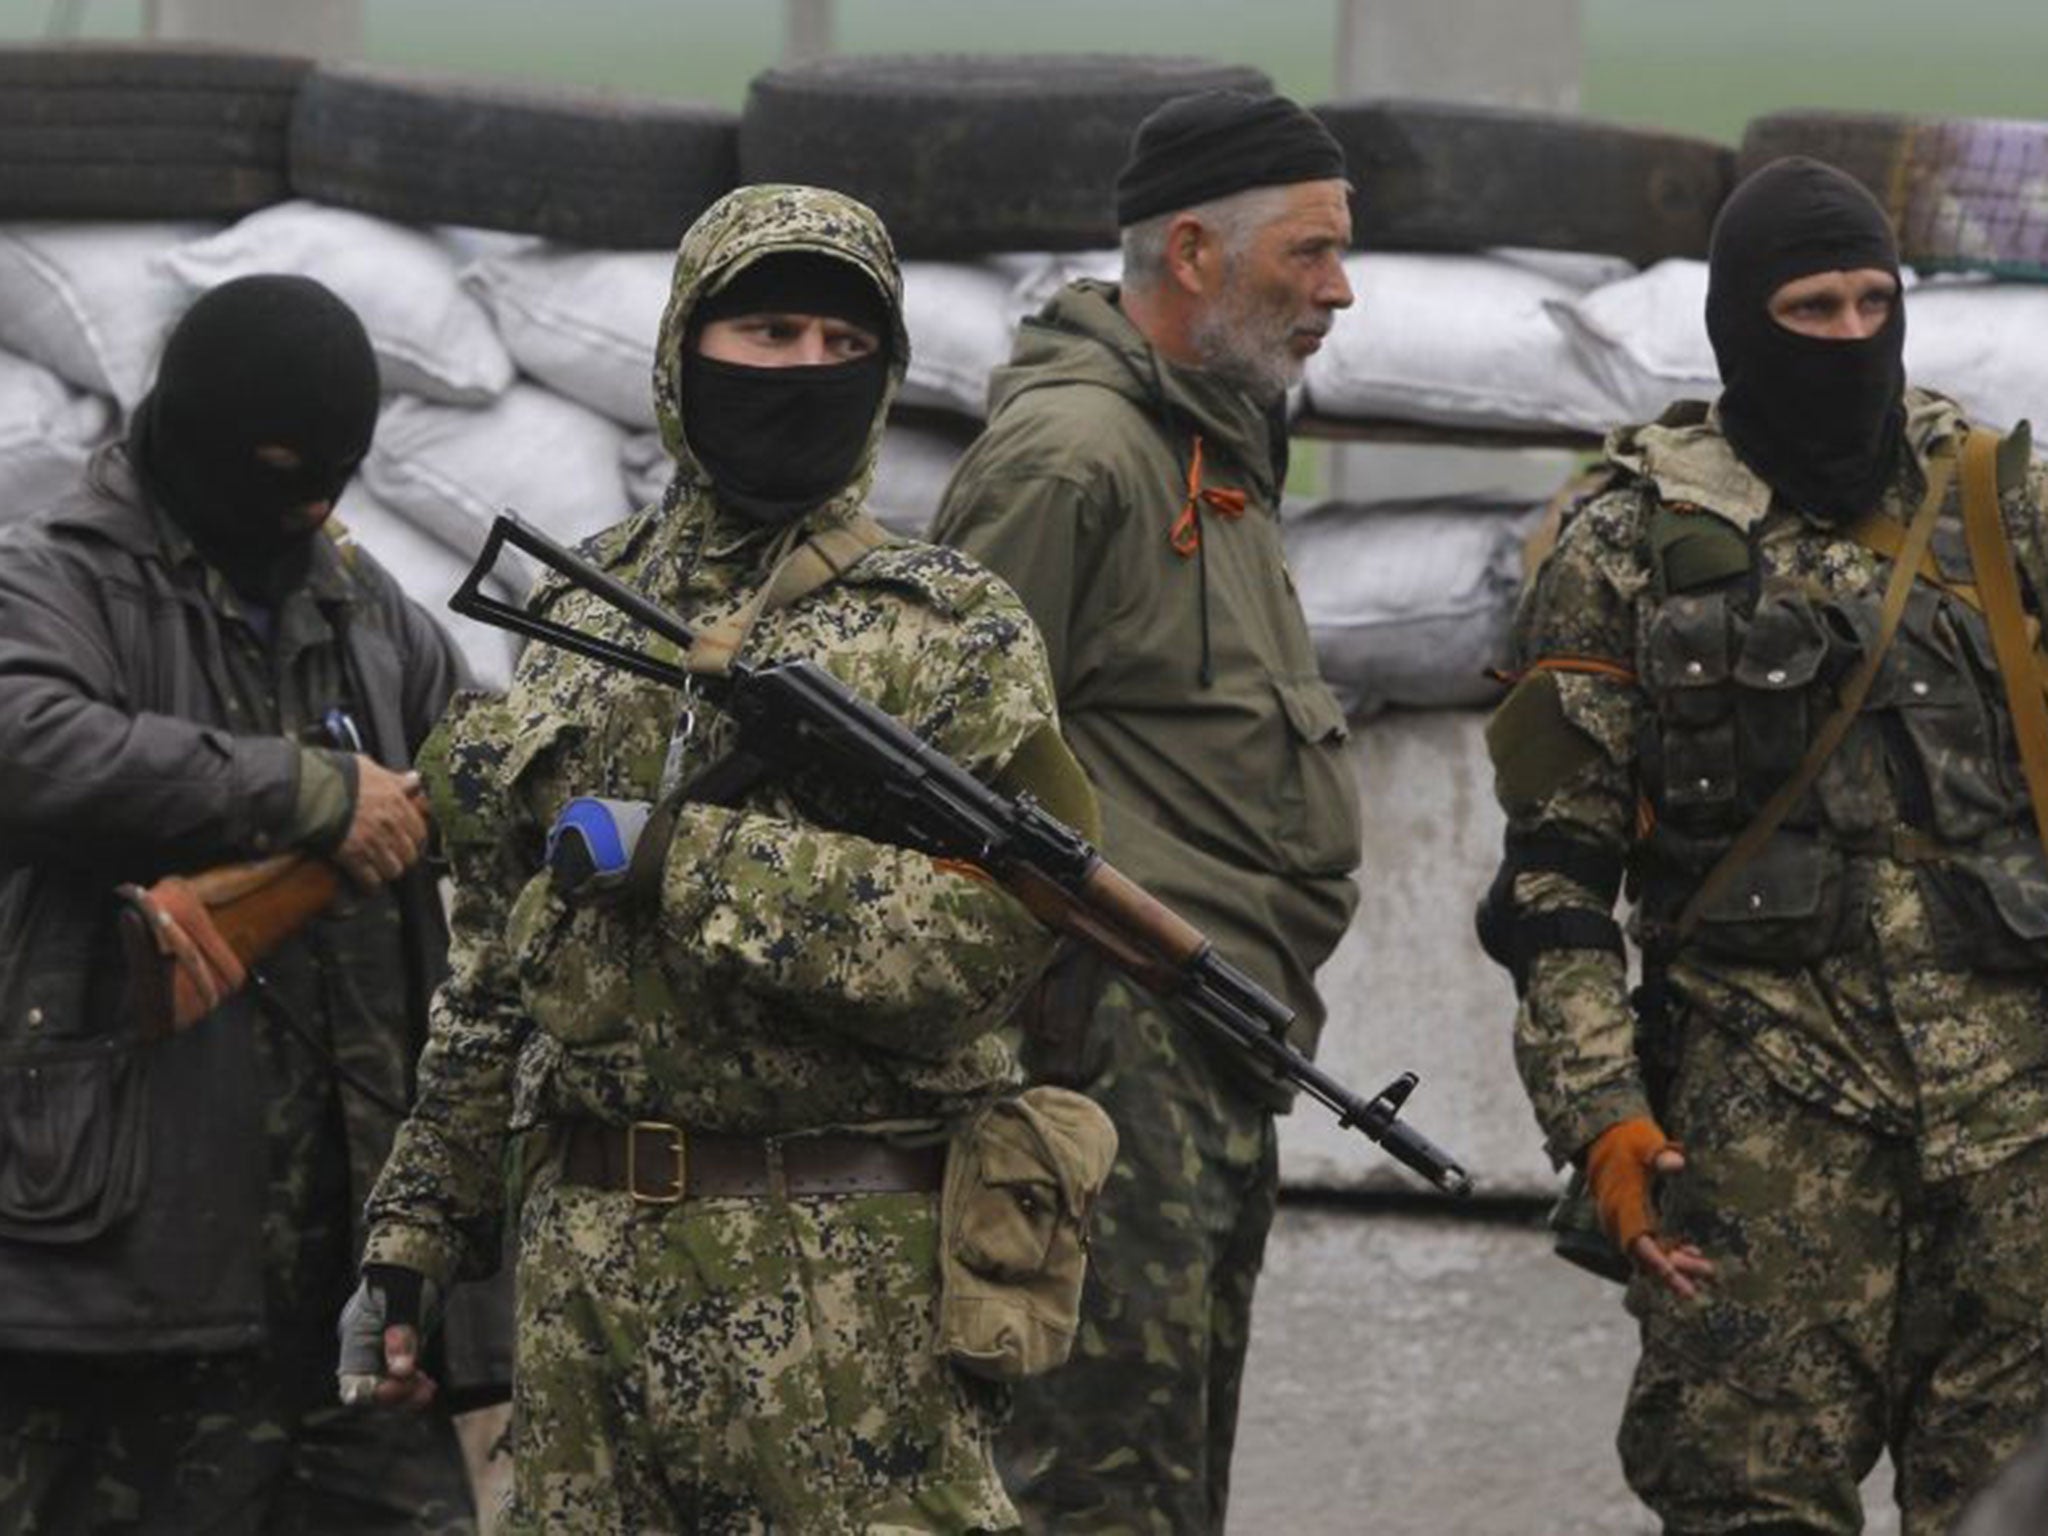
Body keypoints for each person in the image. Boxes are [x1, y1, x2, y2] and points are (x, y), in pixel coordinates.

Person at [345, 184, 1089, 1533]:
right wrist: (410, 1241)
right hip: (588, 1288)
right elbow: (500, 971)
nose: (807, 370)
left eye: (842, 346)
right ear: (686, 351)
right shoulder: (578, 610)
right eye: (769, 332)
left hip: (843, 1295)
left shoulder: (955, 630)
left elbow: (985, 947)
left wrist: (685, 862)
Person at [1481, 156, 2048, 1534]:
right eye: (1812, 308)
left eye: (1874, 301)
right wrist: (1602, 1118)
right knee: (1745, 1503)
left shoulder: (1997, 502)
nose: (1852, 336)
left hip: (2013, 1139)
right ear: (1742, 324)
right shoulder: (1627, 538)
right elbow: (1554, 884)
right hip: (1764, 1140)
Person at [929, 90, 1364, 1533]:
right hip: (1107, 1054)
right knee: (1096, 1490)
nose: (1338, 290)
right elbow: (941, 777)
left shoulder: (1211, 449)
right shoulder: (1076, 461)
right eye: (1308, 254)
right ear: (1193, 252)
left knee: (1169, 1485)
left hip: (1211, 1042)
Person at [0, 274, 499, 1532]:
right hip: (128, 1276)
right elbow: (28, 741)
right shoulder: (57, 574)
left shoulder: (356, 599)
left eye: (337, 474)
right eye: (282, 469)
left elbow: (476, 755)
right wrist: (305, 793)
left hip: (351, 1294)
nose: (313, 504)